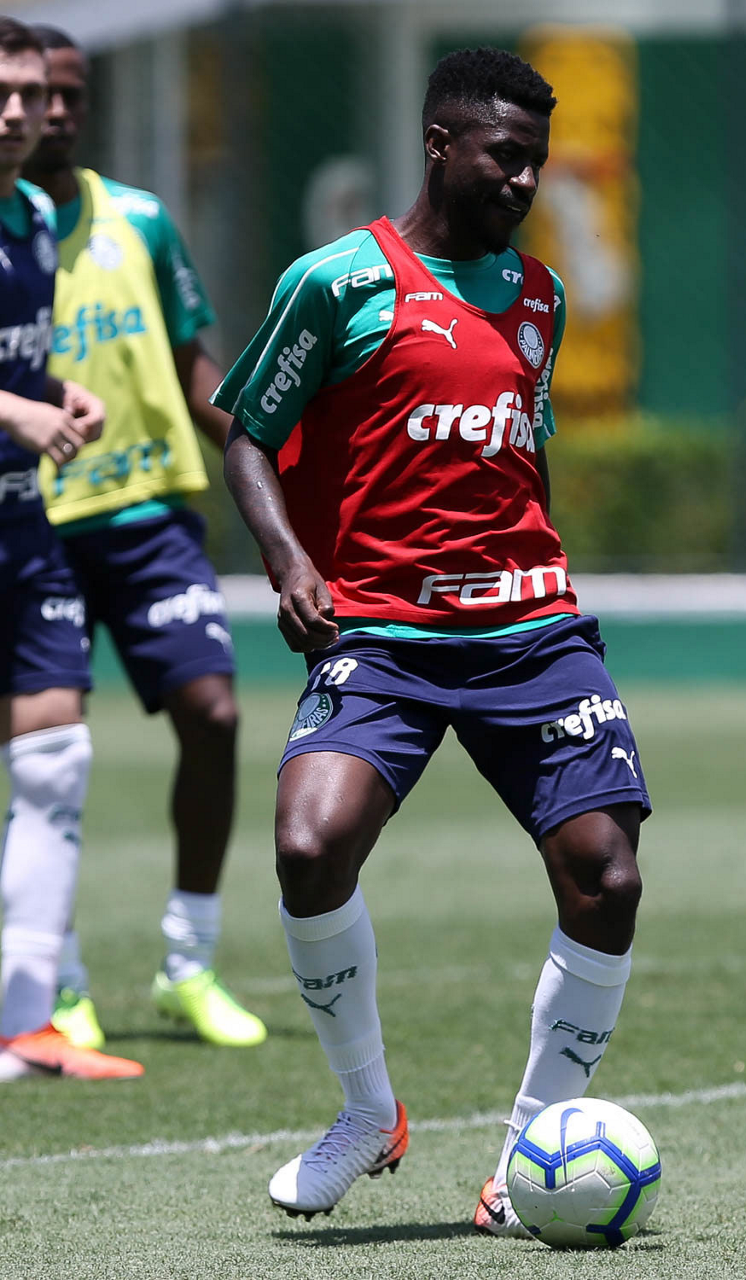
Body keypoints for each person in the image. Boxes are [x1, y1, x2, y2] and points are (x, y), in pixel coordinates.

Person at [218, 46, 650, 1231]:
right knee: (309, 844)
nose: (524, 180)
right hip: (385, 629)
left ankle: (527, 1159)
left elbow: (518, 453)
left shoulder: (540, 296)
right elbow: (248, 432)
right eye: (505, 156)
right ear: (439, 144)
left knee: (607, 876)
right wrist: (290, 561)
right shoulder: (336, 281)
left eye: (537, 161)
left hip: (531, 629)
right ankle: (368, 1110)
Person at [21, 26, 265, 1050]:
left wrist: (271, 460)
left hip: (149, 512)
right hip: (33, 519)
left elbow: (194, 362)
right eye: (38, 92)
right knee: (45, 752)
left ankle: (188, 962)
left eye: (71, 94)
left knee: (214, 713)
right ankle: (54, 978)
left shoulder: (143, 220)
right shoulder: (12, 229)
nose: (54, 111)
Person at [0, 16, 145, 1080]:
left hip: (21, 526)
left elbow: (18, 363)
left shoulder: (38, 215)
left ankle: (25, 1021)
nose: (21, 113)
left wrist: (59, 394)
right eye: (2, 94)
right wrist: (21, 413)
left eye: (32, 95)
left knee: (56, 759)